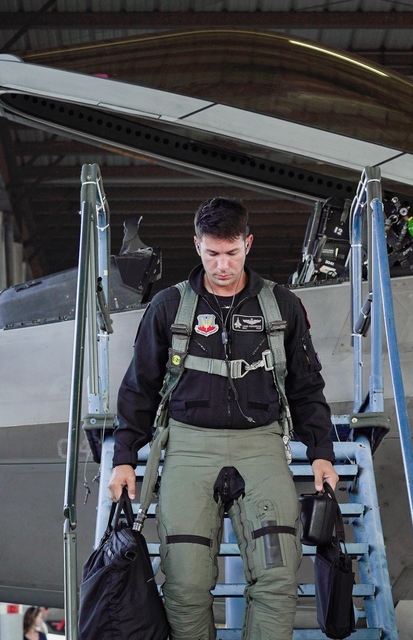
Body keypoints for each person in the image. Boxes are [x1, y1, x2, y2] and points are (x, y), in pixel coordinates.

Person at [108, 196, 340, 639]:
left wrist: (321, 453)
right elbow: (138, 387)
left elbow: (307, 388)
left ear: (248, 244)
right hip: (190, 451)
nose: (222, 265)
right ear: (196, 245)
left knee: (277, 579)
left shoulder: (282, 307)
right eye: (212, 253)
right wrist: (123, 457)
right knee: (186, 586)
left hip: (261, 449)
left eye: (231, 253)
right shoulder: (168, 308)